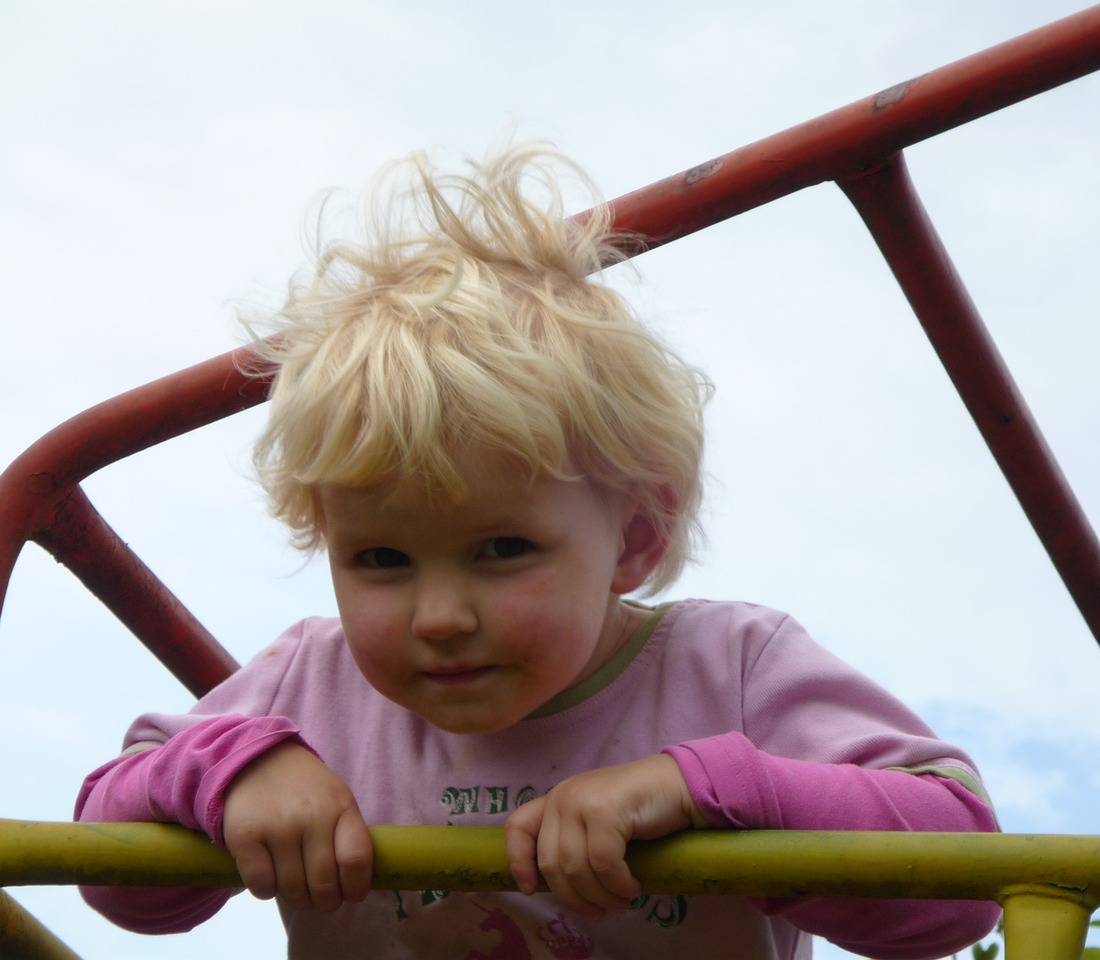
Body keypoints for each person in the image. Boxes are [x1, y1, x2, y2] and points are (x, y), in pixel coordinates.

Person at [76, 143, 1000, 959]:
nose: (439, 616)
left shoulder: (732, 671)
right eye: (382, 560)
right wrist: (227, 770)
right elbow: (119, 883)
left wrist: (714, 792)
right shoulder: (307, 689)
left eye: (502, 548)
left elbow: (960, 879)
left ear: (634, 538)